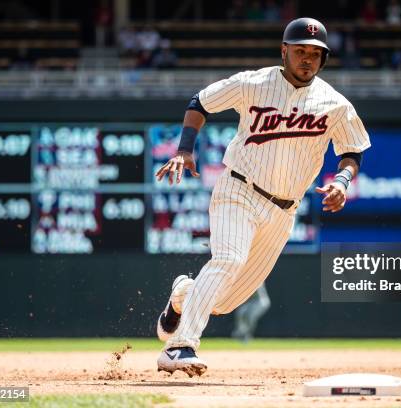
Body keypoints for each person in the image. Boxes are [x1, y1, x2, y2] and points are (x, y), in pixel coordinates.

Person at [154, 17, 371, 377]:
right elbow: (200, 102)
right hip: (239, 189)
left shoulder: (335, 103)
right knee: (228, 259)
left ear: (324, 59)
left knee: (223, 302)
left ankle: (181, 296)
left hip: (284, 211)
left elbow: (353, 149)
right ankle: (179, 347)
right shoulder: (253, 82)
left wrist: (344, 180)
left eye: (315, 54)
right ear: (284, 51)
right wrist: (185, 149)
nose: (307, 59)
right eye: (300, 50)